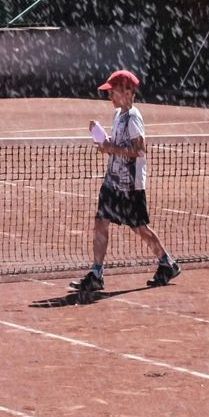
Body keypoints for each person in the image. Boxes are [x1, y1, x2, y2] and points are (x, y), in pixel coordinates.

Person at [72, 69, 180, 298]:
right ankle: (96, 272)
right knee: (101, 221)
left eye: (113, 91)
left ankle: (166, 262)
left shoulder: (133, 117)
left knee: (139, 227)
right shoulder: (118, 115)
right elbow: (120, 145)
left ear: (127, 92)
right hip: (112, 182)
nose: (109, 96)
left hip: (130, 185)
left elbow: (139, 150)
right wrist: (105, 140)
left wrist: (111, 149)